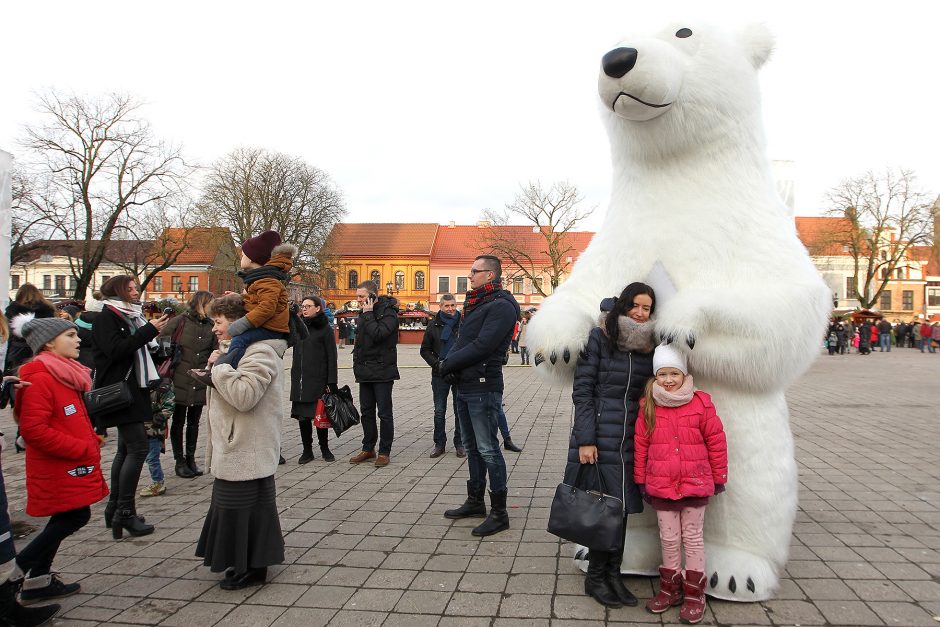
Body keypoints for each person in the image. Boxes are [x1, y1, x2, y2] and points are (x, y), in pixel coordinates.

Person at [566, 282, 657, 608]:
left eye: (647, 308)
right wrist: (586, 439)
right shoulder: (601, 336)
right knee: (603, 510)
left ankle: (613, 575)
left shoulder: (650, 345)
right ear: (623, 304)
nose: (640, 312)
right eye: (635, 305)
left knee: (621, 511)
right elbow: (583, 389)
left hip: (631, 439)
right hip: (600, 438)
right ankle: (596, 578)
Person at [14, 317, 109, 603]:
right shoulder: (42, 376)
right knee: (75, 515)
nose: (78, 340)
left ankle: (38, 581)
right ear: (48, 342)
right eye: (70, 335)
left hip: (69, 462)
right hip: (60, 463)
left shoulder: (62, 371)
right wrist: (80, 447)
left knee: (67, 515)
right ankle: (14, 573)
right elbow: (33, 430)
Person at [195, 294, 285, 590]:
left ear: (237, 323)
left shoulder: (260, 351)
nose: (214, 329)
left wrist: (219, 368)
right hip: (238, 443)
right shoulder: (236, 349)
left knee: (244, 506)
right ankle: (245, 562)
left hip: (247, 444)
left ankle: (253, 566)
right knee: (239, 506)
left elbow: (245, 397)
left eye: (218, 322)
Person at [635, 343, 727, 624]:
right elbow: (641, 444)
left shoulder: (700, 403)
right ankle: (670, 588)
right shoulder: (649, 404)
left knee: (693, 537)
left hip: (695, 482)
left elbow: (716, 440)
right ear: (655, 377)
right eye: (662, 374)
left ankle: (694, 593)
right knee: (669, 538)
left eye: (674, 373)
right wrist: (641, 479)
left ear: (684, 374)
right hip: (662, 484)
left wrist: (719, 476)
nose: (668, 380)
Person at [440, 255, 520, 537]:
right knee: (472, 447)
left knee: (488, 448)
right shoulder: (477, 303)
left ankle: (500, 513)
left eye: (474, 271)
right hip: (466, 383)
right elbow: (463, 340)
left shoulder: (502, 305)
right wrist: (450, 364)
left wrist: (449, 364)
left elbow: (484, 345)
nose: (469, 275)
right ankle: (475, 501)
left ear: (490, 275)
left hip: (484, 385)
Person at [93, 275, 169, 538]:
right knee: (137, 449)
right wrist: (148, 330)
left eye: (136, 288)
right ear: (119, 291)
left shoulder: (128, 315)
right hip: (120, 391)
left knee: (126, 450)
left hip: (133, 389)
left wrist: (152, 334)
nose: (136, 292)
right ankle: (125, 512)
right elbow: (116, 350)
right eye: (131, 288)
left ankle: (115, 508)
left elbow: (140, 349)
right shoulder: (108, 316)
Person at [190, 230, 295, 383]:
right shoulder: (263, 280)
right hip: (268, 325)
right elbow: (258, 300)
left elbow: (266, 308)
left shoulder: (267, 280)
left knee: (239, 340)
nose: (241, 257)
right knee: (238, 339)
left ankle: (224, 373)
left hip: (270, 328)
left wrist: (243, 323)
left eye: (244, 254)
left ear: (253, 259)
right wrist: (240, 297)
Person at [161, 291, 216, 479]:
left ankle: (191, 458)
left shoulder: (210, 325)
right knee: (178, 421)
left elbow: (215, 348)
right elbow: (162, 343)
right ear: (201, 303)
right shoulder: (180, 321)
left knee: (194, 422)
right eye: (210, 302)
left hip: (199, 379)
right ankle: (179, 461)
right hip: (179, 378)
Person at [349, 281, 400, 467]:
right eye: (357, 296)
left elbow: (379, 335)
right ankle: (368, 448)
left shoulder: (389, 312)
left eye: (361, 296)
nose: (358, 300)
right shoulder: (364, 313)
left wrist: (369, 315)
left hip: (383, 369)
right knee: (366, 412)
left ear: (372, 296)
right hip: (364, 370)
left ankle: (384, 451)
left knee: (384, 413)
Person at [290, 296, 338, 463]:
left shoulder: (324, 328)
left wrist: (331, 381)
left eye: (308, 306)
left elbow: (332, 356)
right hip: (300, 379)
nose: (304, 309)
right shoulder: (297, 326)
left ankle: (325, 448)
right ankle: (307, 450)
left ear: (318, 308)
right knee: (303, 418)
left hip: (318, 379)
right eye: (303, 306)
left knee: (320, 417)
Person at [420, 294, 464, 458]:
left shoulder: (463, 324)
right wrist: (437, 364)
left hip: (459, 373)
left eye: (453, 305)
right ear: (440, 307)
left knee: (460, 410)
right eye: (447, 306)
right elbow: (424, 350)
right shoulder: (433, 325)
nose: (451, 309)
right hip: (439, 373)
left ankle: (460, 443)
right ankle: (439, 444)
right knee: (439, 410)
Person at [4, 284, 56, 377]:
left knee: (18, 377)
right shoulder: (47, 310)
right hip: (41, 349)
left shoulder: (13, 310)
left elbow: (9, 335)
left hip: (17, 350)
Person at [139, 378, 174, 498]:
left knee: (152, 458)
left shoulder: (162, 387)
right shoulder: (139, 385)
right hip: (141, 429)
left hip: (154, 429)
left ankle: (158, 483)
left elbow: (169, 407)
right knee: (148, 458)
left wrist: (156, 420)